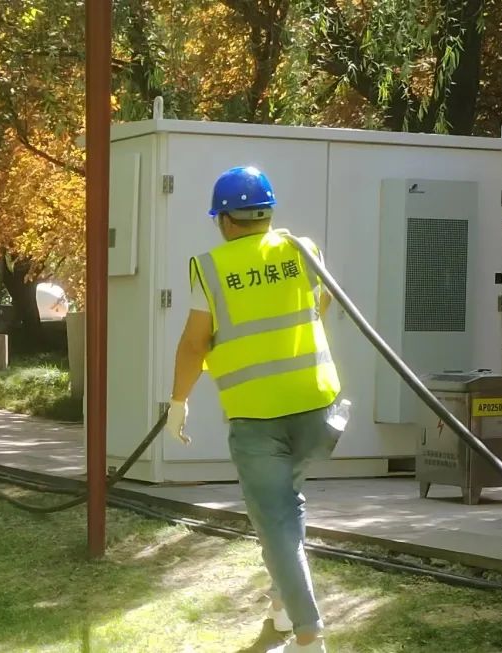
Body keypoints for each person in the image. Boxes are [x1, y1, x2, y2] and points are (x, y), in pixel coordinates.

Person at [166, 167, 343, 653]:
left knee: (277, 524)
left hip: (257, 417)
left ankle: (308, 635)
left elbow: (194, 343)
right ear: (267, 212)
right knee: (288, 506)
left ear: (224, 220)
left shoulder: (211, 267)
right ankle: (283, 610)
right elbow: (322, 303)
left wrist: (178, 402)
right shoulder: (303, 250)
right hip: (318, 410)